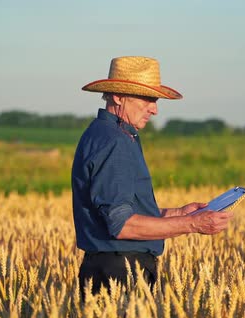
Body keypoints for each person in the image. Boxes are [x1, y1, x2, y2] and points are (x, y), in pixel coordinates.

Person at [72, 56, 232, 296]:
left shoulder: (108, 134)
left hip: (114, 267)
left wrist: (177, 213)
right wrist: (192, 224)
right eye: (148, 99)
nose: (154, 109)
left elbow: (120, 212)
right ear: (118, 96)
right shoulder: (115, 141)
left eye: (155, 100)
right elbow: (122, 225)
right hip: (120, 272)